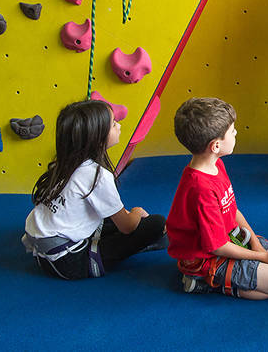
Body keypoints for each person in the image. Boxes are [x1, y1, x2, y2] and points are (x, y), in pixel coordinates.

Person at [22, 100, 167, 280]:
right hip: (69, 262)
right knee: (157, 223)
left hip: (44, 250)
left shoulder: (65, 163)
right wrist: (136, 214)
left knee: (109, 218)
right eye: (114, 124)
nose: (119, 126)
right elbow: (128, 227)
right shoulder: (97, 175)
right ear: (97, 138)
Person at [166, 97, 268, 298]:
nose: (236, 133)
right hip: (206, 258)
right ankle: (203, 282)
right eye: (232, 131)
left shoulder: (216, 165)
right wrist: (261, 256)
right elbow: (217, 247)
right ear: (215, 146)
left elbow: (232, 210)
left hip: (228, 238)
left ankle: (242, 268)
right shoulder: (200, 188)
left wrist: (256, 244)